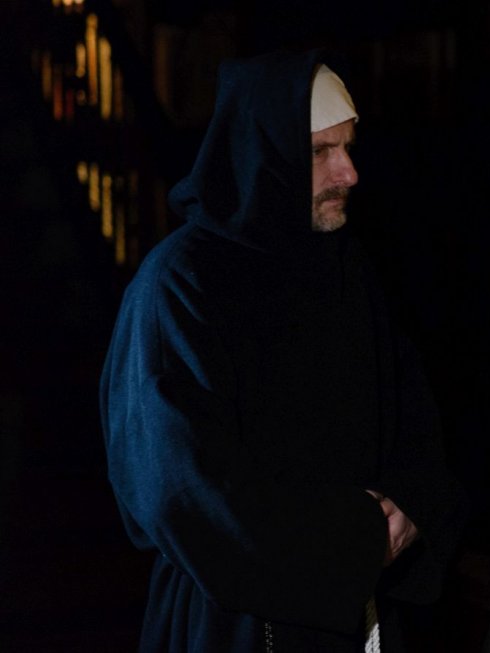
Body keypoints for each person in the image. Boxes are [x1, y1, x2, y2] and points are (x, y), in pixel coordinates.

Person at [99, 48, 464, 652]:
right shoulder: (179, 285)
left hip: (362, 607)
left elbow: (414, 421)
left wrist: (411, 506)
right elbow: (180, 490)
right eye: (321, 151)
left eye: (348, 147)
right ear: (262, 153)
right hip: (234, 621)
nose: (348, 173)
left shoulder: (345, 267)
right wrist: (357, 537)